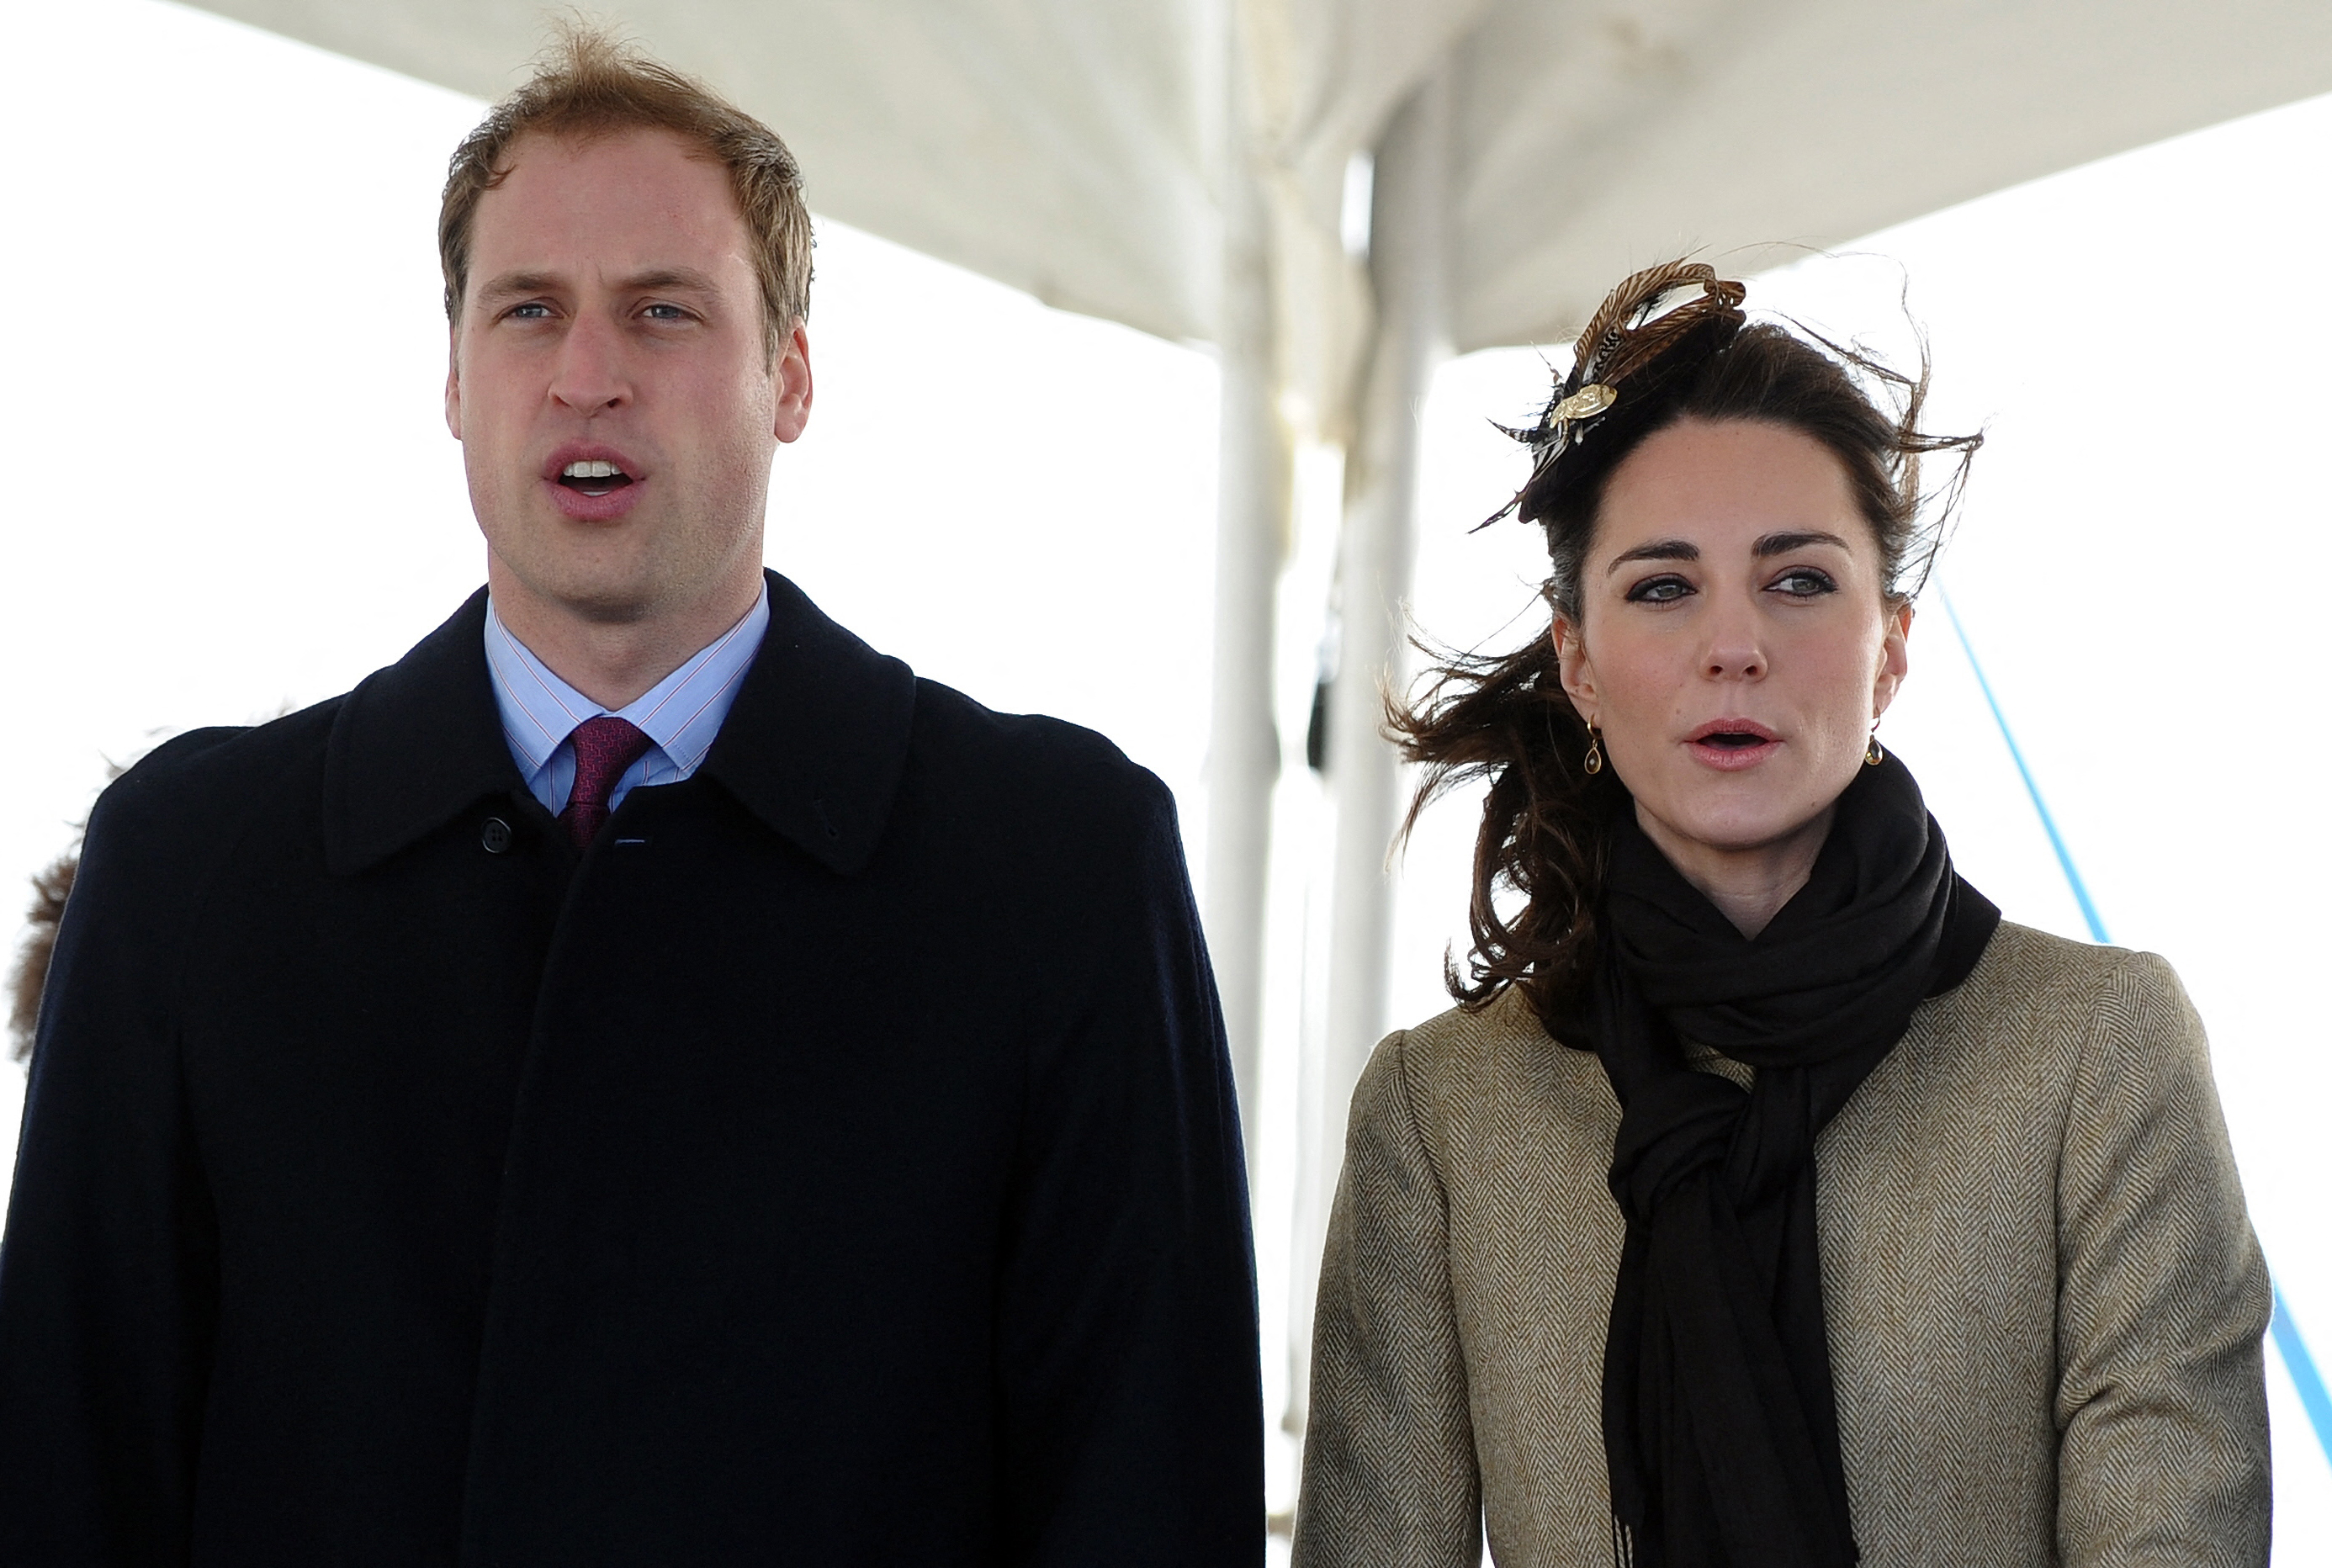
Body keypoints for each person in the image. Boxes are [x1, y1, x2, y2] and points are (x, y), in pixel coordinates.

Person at [0, 28, 1262, 1565]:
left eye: (662, 313)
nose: (586, 375)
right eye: (529, 312)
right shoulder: (191, 873)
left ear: (788, 377)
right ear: (455, 381)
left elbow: (1147, 1493)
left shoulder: (1057, 869)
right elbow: (70, 1484)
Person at [1291, 261, 2267, 1566]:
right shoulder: (1446, 1114)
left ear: (1893, 645)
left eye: (1799, 581)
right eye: (1662, 586)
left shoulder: (2094, 1050)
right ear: (1577, 661)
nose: (1734, 644)